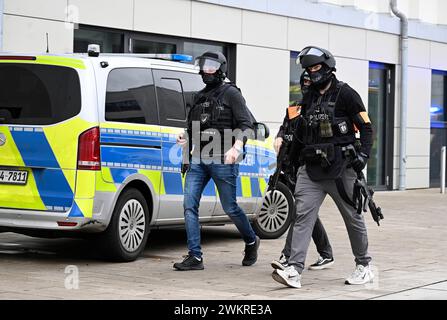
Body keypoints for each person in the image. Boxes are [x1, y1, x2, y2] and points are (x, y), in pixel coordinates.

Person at [271, 46, 374, 288]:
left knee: (353, 218)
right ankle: (294, 270)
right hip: (311, 169)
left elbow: (367, 127)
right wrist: (290, 163)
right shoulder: (308, 98)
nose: (312, 73)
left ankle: (364, 265)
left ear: (328, 68)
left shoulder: (346, 94)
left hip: (341, 169)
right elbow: (299, 133)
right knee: (303, 216)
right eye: (308, 69)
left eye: (316, 67)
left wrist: (363, 155)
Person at [173, 51, 260, 271]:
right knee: (188, 205)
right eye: (203, 66)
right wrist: (185, 142)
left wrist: (236, 147)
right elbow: (192, 128)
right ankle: (195, 257)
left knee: (230, 207)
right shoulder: (198, 96)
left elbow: (247, 125)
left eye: (211, 66)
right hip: (198, 160)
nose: (206, 70)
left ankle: (251, 240)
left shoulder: (232, 93)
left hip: (224, 158)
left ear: (221, 69)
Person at [271, 71, 334, 272]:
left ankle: (287, 256)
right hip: (290, 165)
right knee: (306, 213)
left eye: (310, 80)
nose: (308, 84)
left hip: (307, 167)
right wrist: (279, 136)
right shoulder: (295, 107)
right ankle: (326, 253)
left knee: (300, 212)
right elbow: (285, 127)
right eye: (305, 81)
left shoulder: (318, 107)